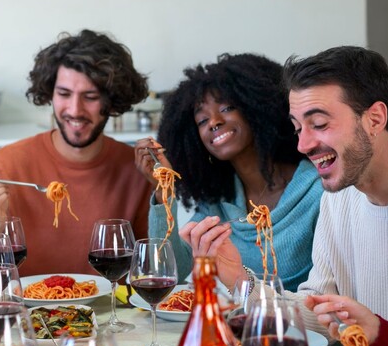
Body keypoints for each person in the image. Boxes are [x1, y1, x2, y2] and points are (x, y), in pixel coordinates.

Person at [180, 46, 388, 346]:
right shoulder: (339, 199)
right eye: (298, 128)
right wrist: (238, 278)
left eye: (318, 123)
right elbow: (317, 313)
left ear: (375, 119)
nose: (303, 145)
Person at [0, 30, 153, 277]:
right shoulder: (4, 166)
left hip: (112, 314)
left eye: (90, 97)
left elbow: (155, 270)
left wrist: (162, 194)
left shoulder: (135, 169)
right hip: (26, 313)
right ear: (50, 94)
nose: (75, 110)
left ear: (112, 101)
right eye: (64, 94)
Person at [133, 54, 321, 291]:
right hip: (241, 324)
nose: (214, 122)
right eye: (202, 120)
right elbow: (169, 272)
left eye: (227, 108)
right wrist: (164, 191)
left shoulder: (318, 190)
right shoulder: (218, 202)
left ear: (257, 108)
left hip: (305, 325)